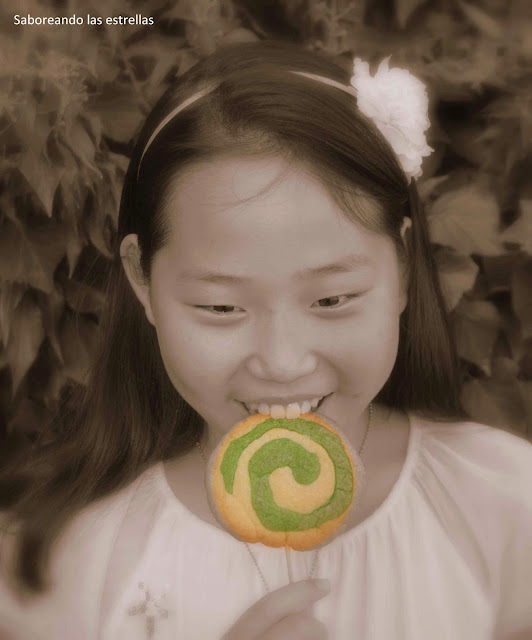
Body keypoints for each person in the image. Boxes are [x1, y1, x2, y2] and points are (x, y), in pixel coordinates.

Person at [0, 39, 531, 640]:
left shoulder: (506, 505)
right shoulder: (59, 561)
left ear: (403, 269)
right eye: (221, 307)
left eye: (332, 299)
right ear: (141, 279)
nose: (282, 362)